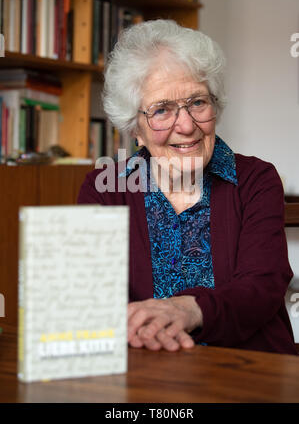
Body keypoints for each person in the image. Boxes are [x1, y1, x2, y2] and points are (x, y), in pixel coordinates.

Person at [78, 19, 298, 355]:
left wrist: (190, 309)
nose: (186, 125)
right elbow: (91, 295)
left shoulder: (256, 179)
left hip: (249, 370)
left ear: (215, 106)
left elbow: (262, 286)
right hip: (145, 373)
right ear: (134, 127)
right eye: (162, 109)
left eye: (197, 102)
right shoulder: (106, 189)